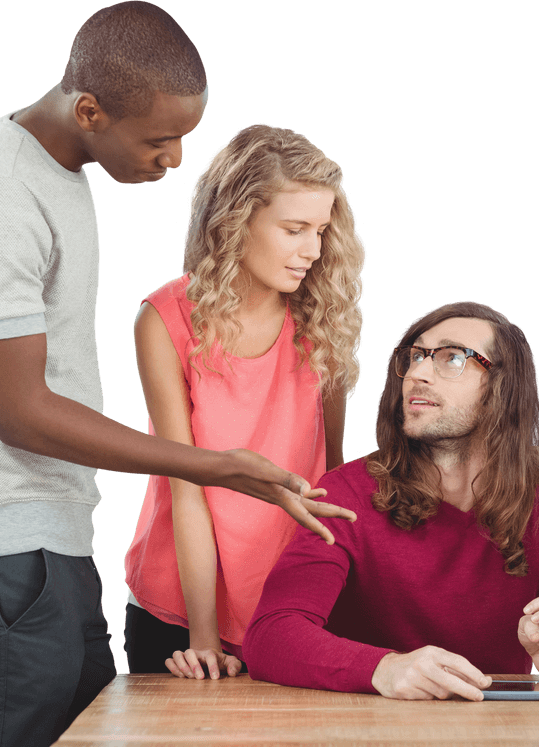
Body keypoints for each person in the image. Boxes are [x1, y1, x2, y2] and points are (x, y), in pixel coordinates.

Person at [0, 4, 350, 746]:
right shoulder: (0, 197)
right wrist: (217, 467)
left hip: (48, 546)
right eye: (160, 140)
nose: (175, 161)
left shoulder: (60, 175)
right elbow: (19, 411)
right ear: (89, 109)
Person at [243, 301, 539, 700]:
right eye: (414, 357)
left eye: (451, 358)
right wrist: (384, 667)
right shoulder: (348, 490)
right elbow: (271, 634)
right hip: (371, 730)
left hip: (499, 729)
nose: (418, 374)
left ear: (502, 386)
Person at [123, 124, 366, 680]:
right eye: (294, 229)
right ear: (235, 221)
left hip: (288, 599)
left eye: (322, 230)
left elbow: (329, 474)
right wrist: (203, 640)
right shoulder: (165, 319)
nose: (313, 250)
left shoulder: (321, 316)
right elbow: (185, 486)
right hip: (181, 603)